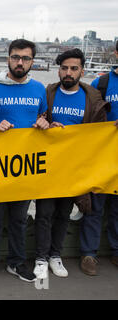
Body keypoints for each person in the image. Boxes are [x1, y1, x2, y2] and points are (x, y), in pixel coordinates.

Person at [33, 48, 109, 280]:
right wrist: (41, 122)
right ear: (58, 70)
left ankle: (56, 255)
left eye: (73, 68)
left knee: (63, 213)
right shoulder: (47, 94)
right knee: (44, 213)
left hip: (73, 169)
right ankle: (40, 257)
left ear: (82, 71)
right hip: (48, 166)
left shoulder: (92, 98)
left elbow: (98, 133)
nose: (68, 72)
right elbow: (33, 121)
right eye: (64, 68)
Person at [0, 39, 49, 284]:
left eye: (26, 58)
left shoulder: (39, 89)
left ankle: (16, 263)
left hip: (25, 167)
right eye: (16, 57)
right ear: (8, 58)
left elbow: (42, 118)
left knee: (20, 219)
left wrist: (45, 123)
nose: (20, 62)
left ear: (32, 61)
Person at [79, 41, 118, 275]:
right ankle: (89, 254)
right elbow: (90, 119)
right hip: (103, 156)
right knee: (95, 206)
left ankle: (116, 250)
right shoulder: (101, 84)